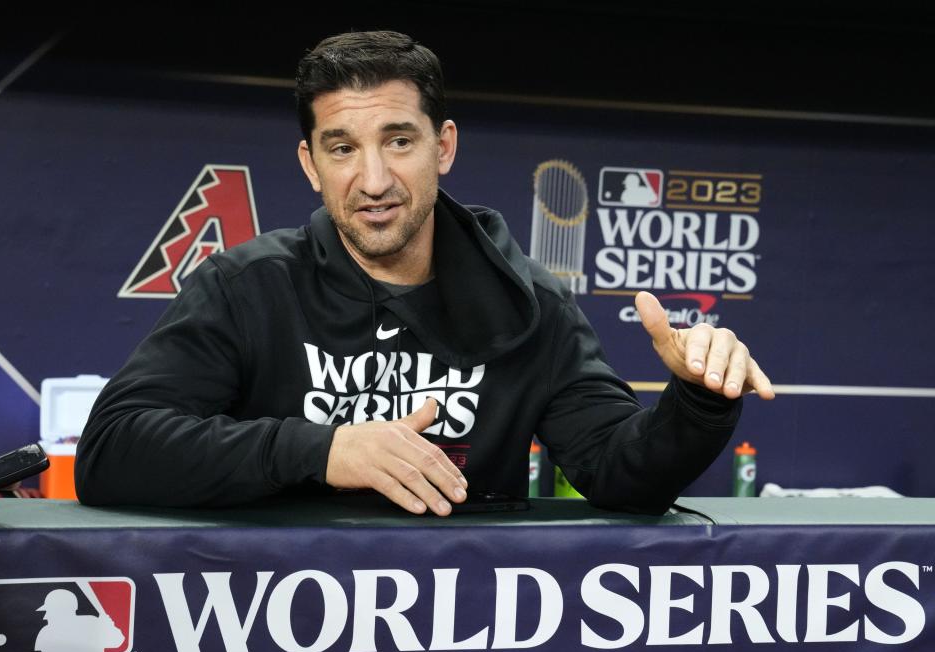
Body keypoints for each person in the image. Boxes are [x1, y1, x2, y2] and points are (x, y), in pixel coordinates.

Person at [74, 30, 773, 517]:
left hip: (451, 623)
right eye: (342, 147)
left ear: (443, 147)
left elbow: (624, 477)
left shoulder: (529, 302)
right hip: (267, 618)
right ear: (311, 165)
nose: (372, 179)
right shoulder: (246, 286)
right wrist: (324, 451)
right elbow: (113, 452)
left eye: (399, 141)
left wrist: (699, 399)